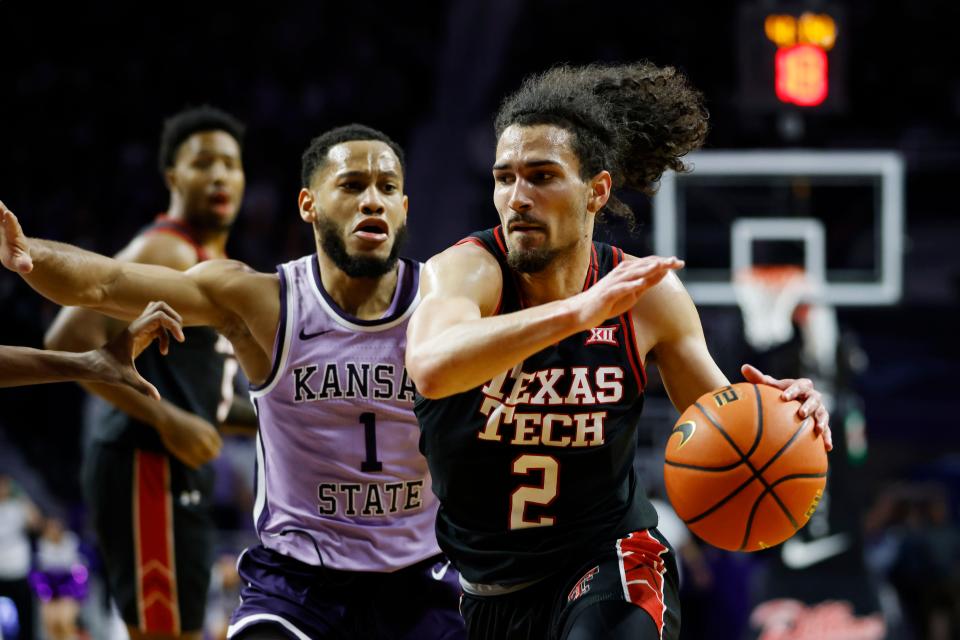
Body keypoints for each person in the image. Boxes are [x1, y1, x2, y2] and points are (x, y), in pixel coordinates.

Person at [406, 61, 832, 640]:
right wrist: (578, 314)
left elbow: (722, 423)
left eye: (542, 176)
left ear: (596, 191)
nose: (517, 197)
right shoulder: (463, 272)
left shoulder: (647, 295)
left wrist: (786, 419)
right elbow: (431, 368)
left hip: (610, 559)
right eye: (504, 178)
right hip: (485, 587)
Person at [0, 123, 465, 639]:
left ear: (405, 207)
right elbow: (106, 282)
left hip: (418, 578)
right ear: (309, 205)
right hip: (298, 584)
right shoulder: (264, 300)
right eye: (353, 185)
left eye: (387, 187)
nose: (373, 200)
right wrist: (29, 256)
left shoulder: (447, 298)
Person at [39, 105, 251, 640]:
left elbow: (216, 398)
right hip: (144, 461)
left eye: (231, 163)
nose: (221, 174)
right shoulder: (167, 247)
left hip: (174, 467)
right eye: (204, 163)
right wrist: (168, 419)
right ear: (173, 178)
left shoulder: (208, 262)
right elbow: (67, 340)